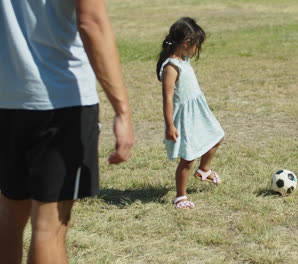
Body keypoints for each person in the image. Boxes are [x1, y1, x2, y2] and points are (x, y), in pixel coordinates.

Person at [0, 0, 134, 263]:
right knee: (49, 227)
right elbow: (91, 22)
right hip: (60, 101)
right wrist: (123, 111)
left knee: (9, 213)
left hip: (6, 99)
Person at [156, 17, 224, 209]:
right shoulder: (171, 67)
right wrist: (170, 125)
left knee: (217, 136)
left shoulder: (183, 60)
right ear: (187, 43)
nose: (196, 51)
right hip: (184, 119)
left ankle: (204, 170)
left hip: (198, 111)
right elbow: (167, 99)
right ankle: (180, 196)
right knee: (188, 158)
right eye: (196, 46)